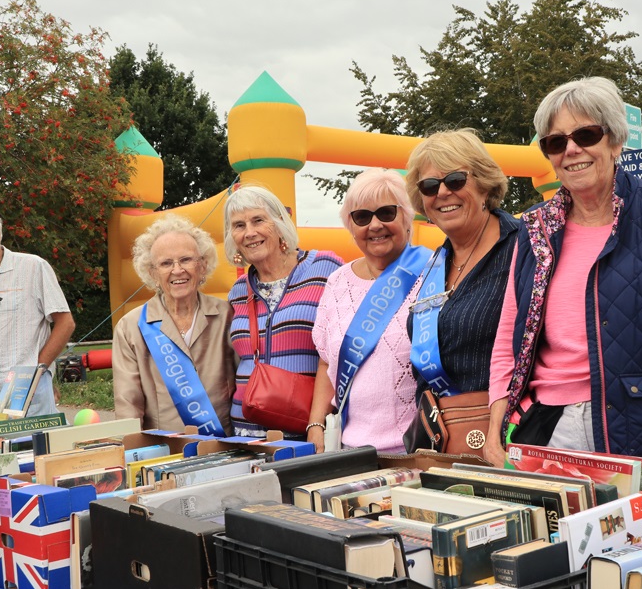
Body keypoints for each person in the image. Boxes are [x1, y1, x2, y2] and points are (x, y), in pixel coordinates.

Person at [483, 76, 642, 525]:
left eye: (586, 135)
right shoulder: (534, 231)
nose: (571, 150)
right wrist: (494, 429)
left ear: (616, 140)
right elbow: (510, 339)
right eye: (556, 142)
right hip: (552, 437)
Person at [404, 128, 520, 454]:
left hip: (511, 440)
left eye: (455, 180)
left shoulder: (524, 249)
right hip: (444, 443)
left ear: (484, 185)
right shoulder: (435, 265)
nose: (442, 192)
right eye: (429, 186)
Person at [308, 169, 431, 453]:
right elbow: (327, 362)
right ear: (350, 226)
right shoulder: (337, 283)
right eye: (362, 217)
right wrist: (315, 425)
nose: (375, 225)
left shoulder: (434, 273)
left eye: (386, 213)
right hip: (348, 448)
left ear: (407, 217)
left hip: (417, 448)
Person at [225, 185, 343, 437]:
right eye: (239, 225)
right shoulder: (237, 290)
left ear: (279, 223)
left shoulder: (325, 267)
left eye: (258, 220)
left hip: (306, 426)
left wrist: (319, 422)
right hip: (246, 430)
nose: (250, 232)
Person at [112, 214, 233, 435]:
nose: (177, 270)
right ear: (152, 273)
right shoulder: (130, 328)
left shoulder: (227, 316)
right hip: (163, 455)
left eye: (186, 260)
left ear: (203, 266)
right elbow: (127, 406)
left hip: (223, 448)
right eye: (166, 263)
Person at [0, 206, 75, 417]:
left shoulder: (33, 267)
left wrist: (38, 371)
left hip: (25, 392)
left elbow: (66, 323)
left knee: (32, 448)